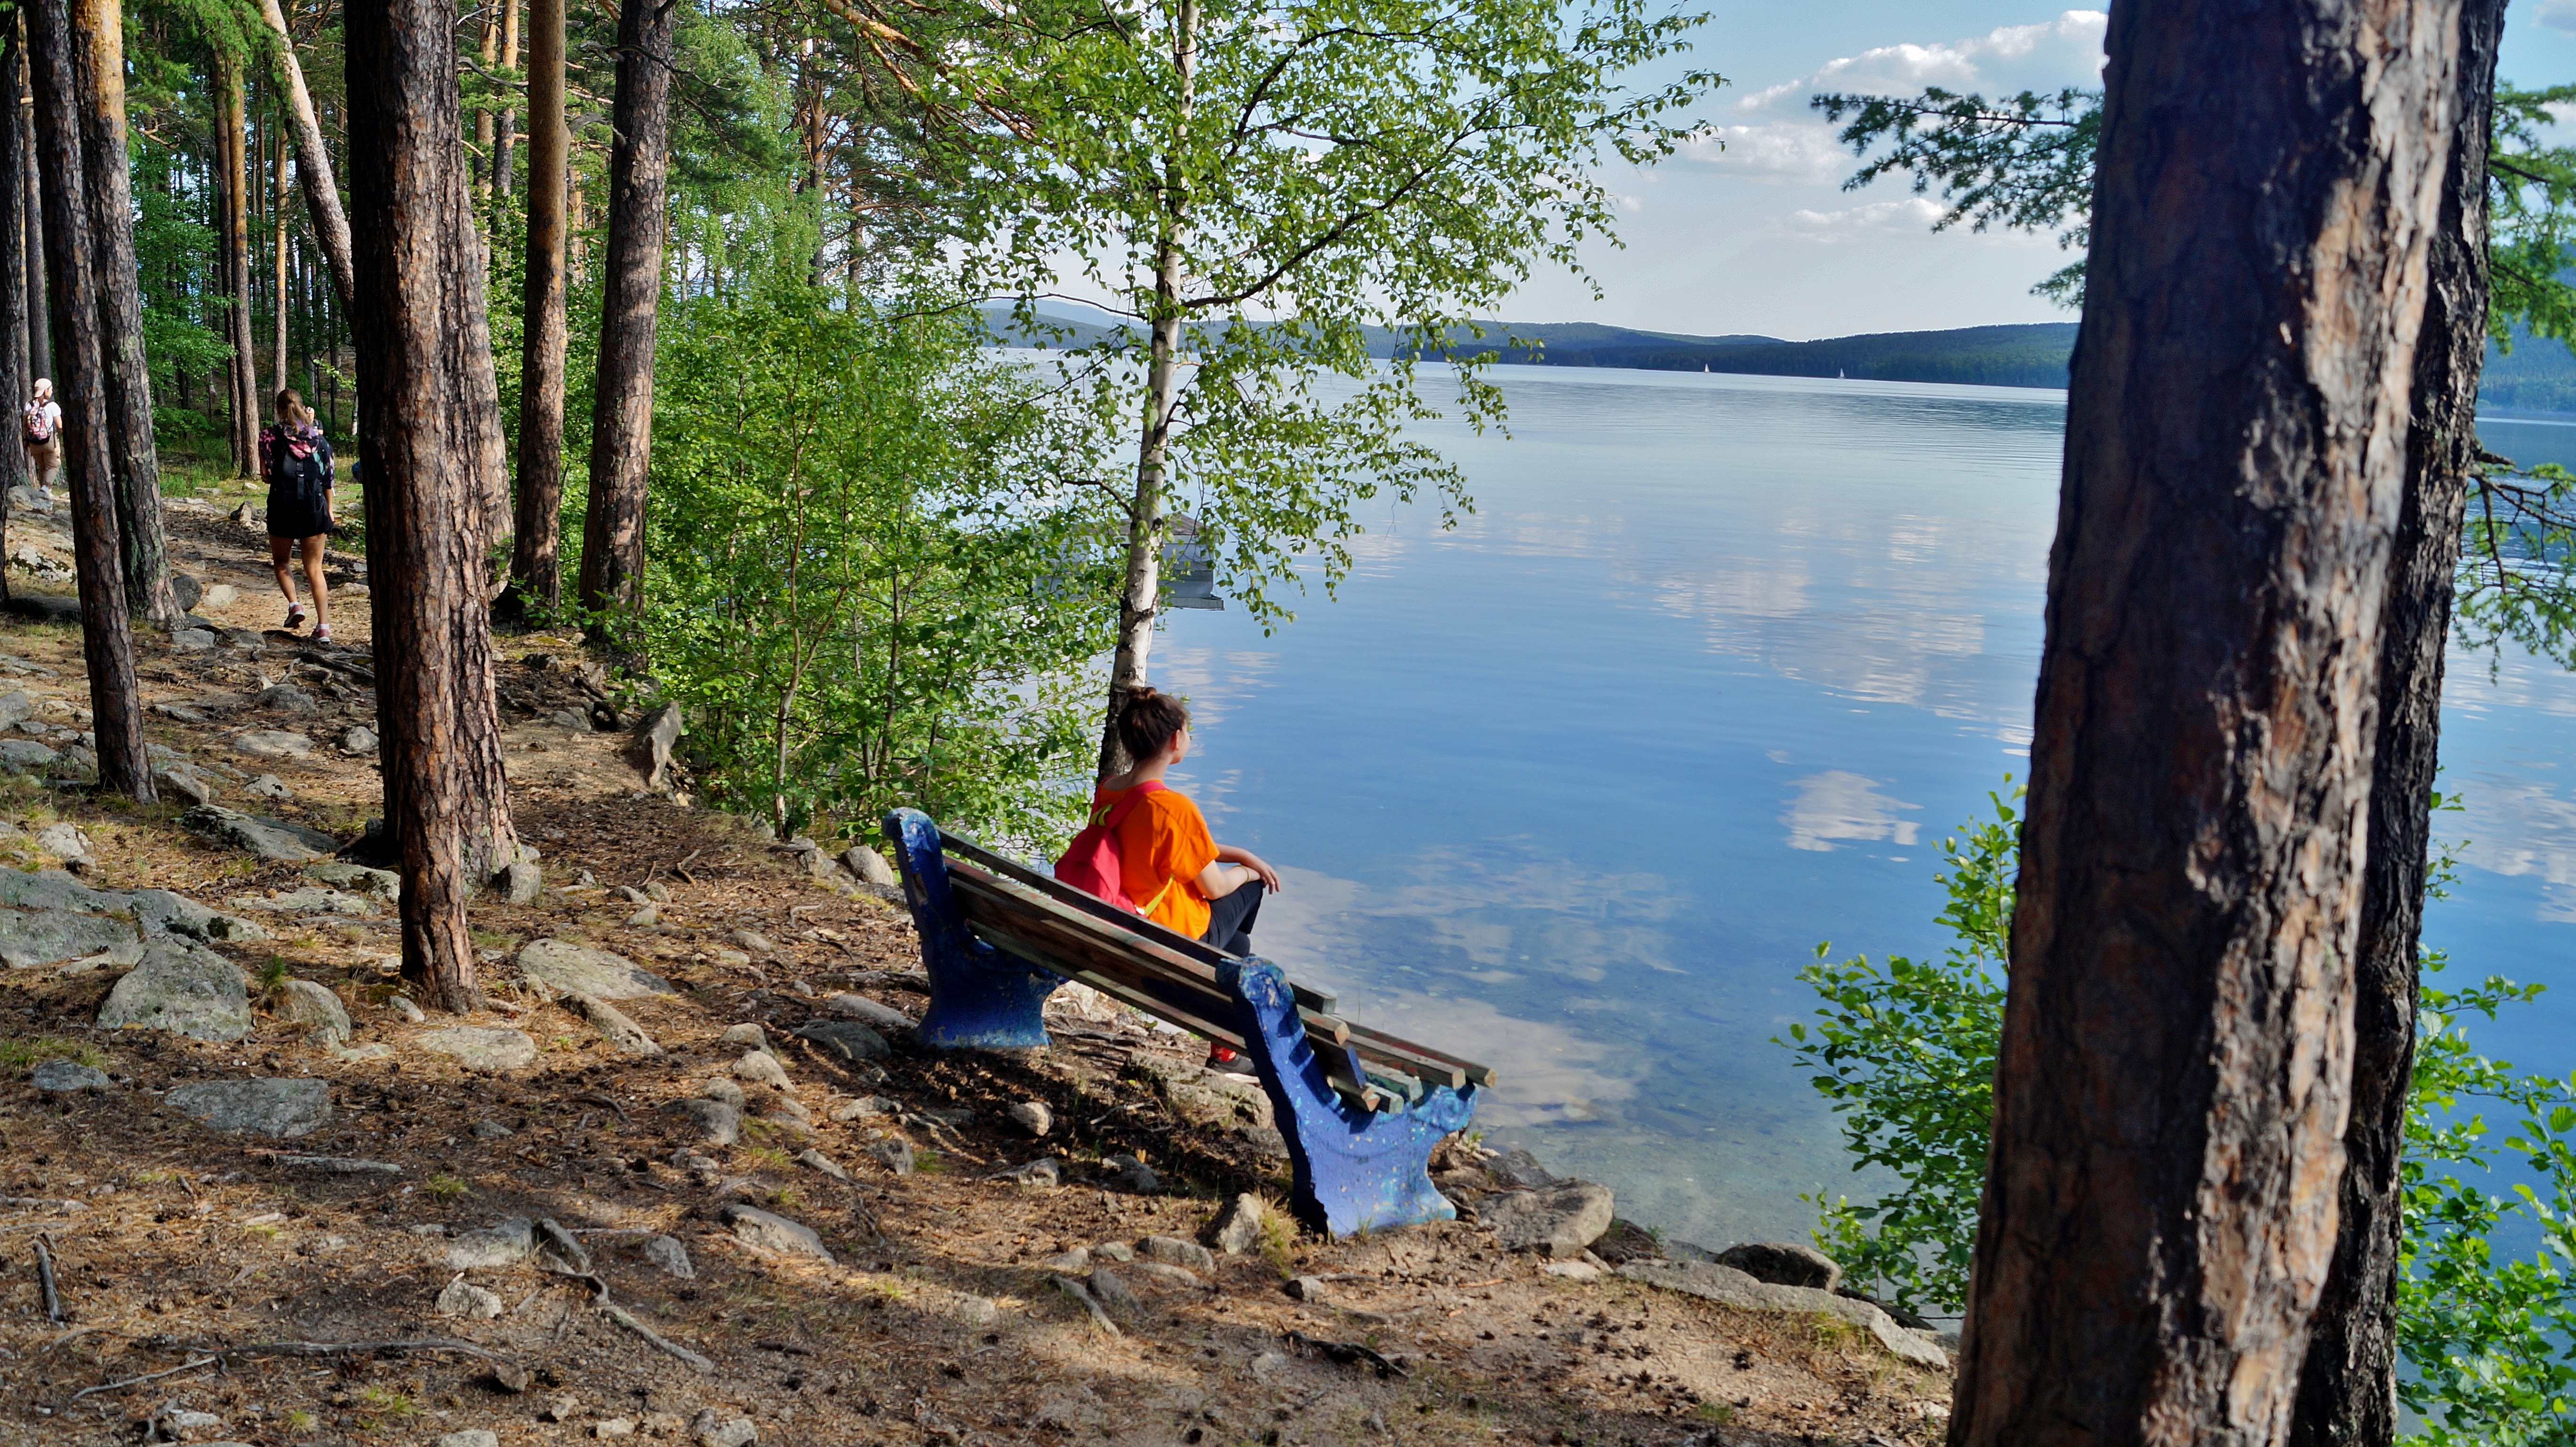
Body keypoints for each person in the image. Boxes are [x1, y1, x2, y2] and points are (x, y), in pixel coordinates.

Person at [1093, 687, 1282, 1067]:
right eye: (1189, 732)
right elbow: (1214, 888)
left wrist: (1242, 853)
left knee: (1239, 948)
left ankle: (1232, 964)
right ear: (1177, 740)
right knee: (1253, 890)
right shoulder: (1174, 808)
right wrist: (1247, 870)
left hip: (1123, 920)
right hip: (1171, 934)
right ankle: (1225, 1040)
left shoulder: (1110, 790)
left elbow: (1180, 847)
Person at [258, 387, 338, 642]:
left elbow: (267, 474)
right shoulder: (320, 440)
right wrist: (330, 510)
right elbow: (328, 480)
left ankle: (295, 605)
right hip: (314, 509)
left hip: (283, 506)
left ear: (279, 410)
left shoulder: (269, 437)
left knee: (282, 563)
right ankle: (324, 627)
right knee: (315, 568)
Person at [20, 378, 60, 502]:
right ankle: (46, 488)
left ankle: (44, 496)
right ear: (45, 391)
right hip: (49, 441)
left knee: (42, 466)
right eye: (51, 389)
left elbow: (24, 424)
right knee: (54, 465)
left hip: (33, 442)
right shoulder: (52, 406)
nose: (52, 391)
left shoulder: (29, 406)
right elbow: (60, 425)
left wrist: (25, 439)